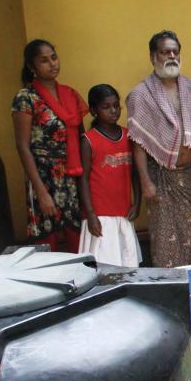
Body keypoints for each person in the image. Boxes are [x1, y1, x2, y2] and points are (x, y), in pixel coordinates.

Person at [127, 30, 191, 268]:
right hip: (161, 177)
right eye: (165, 52)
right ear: (153, 56)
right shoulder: (140, 95)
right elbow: (138, 142)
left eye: (175, 51)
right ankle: (170, 288)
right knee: (166, 239)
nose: (171, 56)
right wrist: (145, 182)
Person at [12, 39, 87, 252]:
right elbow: (22, 146)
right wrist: (40, 191)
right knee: (47, 241)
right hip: (43, 177)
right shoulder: (25, 98)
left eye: (53, 57)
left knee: (76, 238)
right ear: (31, 66)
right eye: (44, 60)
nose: (52, 63)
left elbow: (81, 138)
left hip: (71, 176)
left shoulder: (70, 95)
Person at [78, 84, 142, 267]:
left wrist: (137, 202)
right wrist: (90, 214)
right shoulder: (89, 140)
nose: (113, 111)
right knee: (104, 265)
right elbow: (82, 179)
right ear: (93, 110)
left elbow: (135, 173)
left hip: (123, 212)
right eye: (106, 107)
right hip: (100, 216)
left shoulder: (128, 135)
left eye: (116, 105)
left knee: (127, 264)